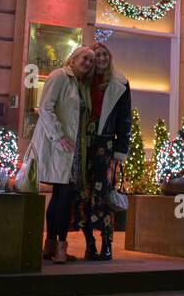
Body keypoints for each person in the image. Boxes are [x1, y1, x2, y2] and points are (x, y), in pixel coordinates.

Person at [33, 45, 95, 264]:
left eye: (90, 61)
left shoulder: (79, 84)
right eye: (84, 59)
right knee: (64, 196)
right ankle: (59, 249)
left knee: (60, 195)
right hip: (60, 145)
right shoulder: (59, 76)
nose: (87, 63)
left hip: (72, 148)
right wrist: (58, 135)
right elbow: (45, 108)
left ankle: (50, 247)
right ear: (74, 58)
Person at [78, 43, 132, 261]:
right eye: (96, 54)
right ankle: (89, 242)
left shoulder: (120, 83)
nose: (100, 58)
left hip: (106, 146)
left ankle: (106, 244)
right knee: (83, 192)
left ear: (109, 58)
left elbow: (125, 119)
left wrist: (122, 148)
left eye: (104, 54)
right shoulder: (83, 81)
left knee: (104, 194)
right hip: (84, 144)